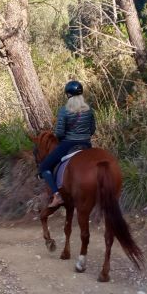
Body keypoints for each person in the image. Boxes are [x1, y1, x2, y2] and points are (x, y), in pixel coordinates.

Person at [39, 80, 96, 208]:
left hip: (68, 144)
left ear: (68, 95)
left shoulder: (64, 111)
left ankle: (57, 196)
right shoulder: (89, 110)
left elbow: (59, 133)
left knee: (44, 167)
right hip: (86, 145)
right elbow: (92, 130)